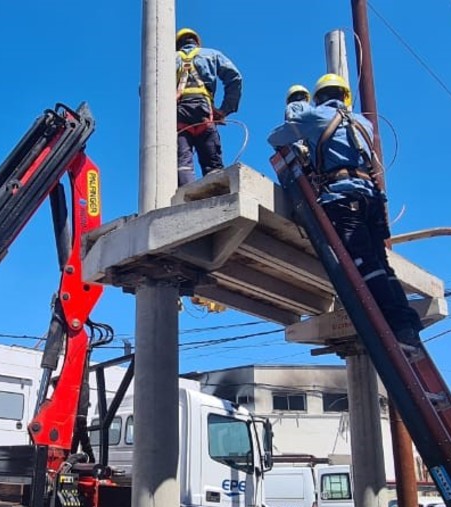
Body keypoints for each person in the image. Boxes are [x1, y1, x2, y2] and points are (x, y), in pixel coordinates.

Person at [267, 73, 424, 347]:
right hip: (372, 200)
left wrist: (300, 117)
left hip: (342, 198)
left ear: (318, 98)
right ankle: (408, 323)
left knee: (365, 265)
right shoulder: (364, 123)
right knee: (382, 266)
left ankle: (397, 327)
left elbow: (276, 137)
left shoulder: (315, 116)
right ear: (345, 96)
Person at [174, 27, 242, 187]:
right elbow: (235, 78)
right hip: (204, 114)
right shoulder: (211, 54)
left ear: (178, 45)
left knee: (182, 164)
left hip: (179, 116)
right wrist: (225, 110)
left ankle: (185, 200)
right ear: (196, 42)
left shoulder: (166, 59)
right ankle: (215, 196)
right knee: (212, 166)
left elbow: (146, 88)